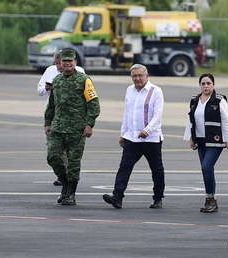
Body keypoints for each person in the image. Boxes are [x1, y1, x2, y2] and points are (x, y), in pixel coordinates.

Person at [103, 64, 165, 209]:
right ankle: (117, 197)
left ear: (146, 76)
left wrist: (147, 130)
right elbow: (127, 114)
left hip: (151, 138)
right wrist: (123, 134)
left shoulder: (155, 91)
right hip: (132, 138)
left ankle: (158, 198)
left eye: (140, 75)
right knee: (124, 167)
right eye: (134, 76)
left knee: (156, 169)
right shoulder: (129, 90)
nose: (137, 78)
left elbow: (158, 115)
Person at [44, 48, 100, 206]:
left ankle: (70, 194)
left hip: (77, 129)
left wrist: (89, 125)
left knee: (73, 164)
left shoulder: (84, 80)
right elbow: (51, 105)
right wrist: (48, 123)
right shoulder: (57, 81)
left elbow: (94, 105)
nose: (67, 64)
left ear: (75, 62)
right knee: (53, 157)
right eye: (64, 61)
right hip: (58, 128)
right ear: (60, 63)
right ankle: (65, 184)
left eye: (70, 61)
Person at [183, 73, 228, 213]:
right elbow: (191, 120)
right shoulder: (194, 100)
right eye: (203, 83)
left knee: (207, 166)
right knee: (206, 170)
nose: (206, 86)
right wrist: (191, 138)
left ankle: (211, 199)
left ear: (213, 85)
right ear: (200, 85)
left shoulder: (219, 100)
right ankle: (210, 199)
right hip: (200, 141)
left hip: (215, 140)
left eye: (208, 83)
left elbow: (226, 120)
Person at [37, 51, 85, 186]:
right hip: (55, 116)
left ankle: (69, 180)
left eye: (62, 63)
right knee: (53, 152)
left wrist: (88, 122)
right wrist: (47, 88)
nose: (59, 66)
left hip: (73, 117)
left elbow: (87, 94)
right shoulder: (51, 72)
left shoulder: (80, 73)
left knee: (71, 151)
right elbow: (40, 91)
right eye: (57, 63)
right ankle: (62, 175)